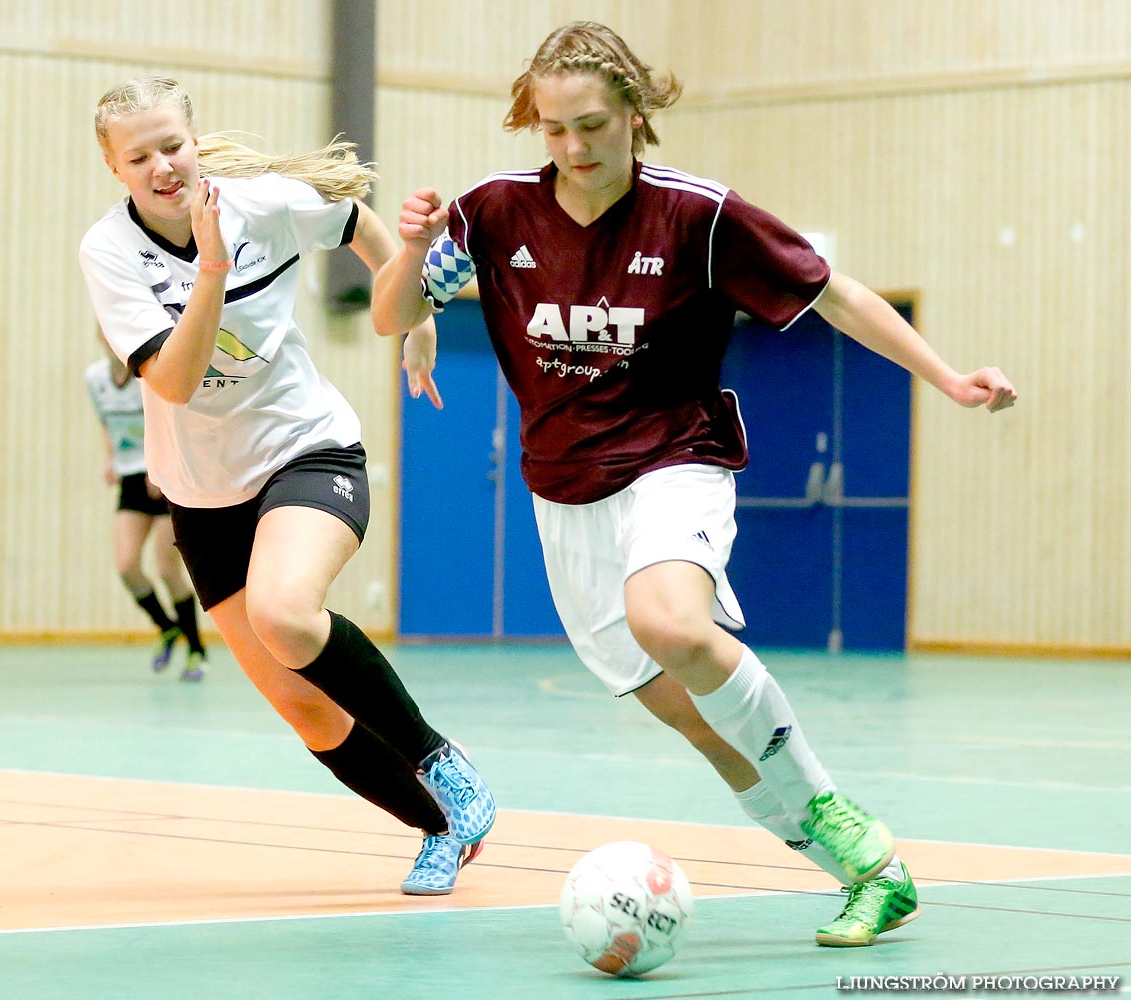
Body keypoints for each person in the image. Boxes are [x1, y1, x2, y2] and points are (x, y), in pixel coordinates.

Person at [372, 21, 1018, 944]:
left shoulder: (698, 215)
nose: (572, 148)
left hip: (675, 456)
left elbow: (835, 293)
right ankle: (870, 867)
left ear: (635, 113)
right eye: (552, 129)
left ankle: (851, 845)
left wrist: (946, 376)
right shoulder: (493, 211)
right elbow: (392, 314)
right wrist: (412, 247)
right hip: (563, 494)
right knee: (706, 729)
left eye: (591, 125)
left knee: (670, 621)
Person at [80, 76, 494, 896]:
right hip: (202, 498)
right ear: (113, 166)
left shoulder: (263, 202)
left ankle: (444, 764)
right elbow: (175, 380)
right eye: (140, 156)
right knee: (304, 707)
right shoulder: (108, 253)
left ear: (194, 138)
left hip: (308, 451)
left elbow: (358, 224)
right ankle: (439, 828)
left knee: (283, 612)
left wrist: (416, 316)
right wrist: (209, 271)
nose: (162, 165)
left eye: (172, 144)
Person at [85, 333, 208, 680]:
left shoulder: (148, 374)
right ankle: (167, 627)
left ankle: (197, 651)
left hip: (163, 478)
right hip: (130, 479)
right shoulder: (95, 379)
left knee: (168, 568)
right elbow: (106, 423)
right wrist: (110, 459)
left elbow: (170, 420)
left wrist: (159, 467)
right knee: (127, 565)